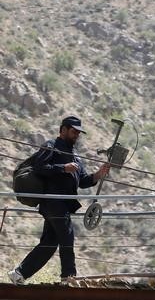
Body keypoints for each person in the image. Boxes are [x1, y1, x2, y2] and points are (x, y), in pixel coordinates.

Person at [8, 116, 111, 284]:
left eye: (78, 132)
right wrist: (63, 168)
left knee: (50, 243)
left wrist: (99, 174)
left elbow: (83, 181)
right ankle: (68, 277)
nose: (76, 135)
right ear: (63, 130)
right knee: (67, 235)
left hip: (62, 204)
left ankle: (19, 273)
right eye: (73, 131)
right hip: (53, 201)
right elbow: (39, 167)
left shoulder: (75, 155)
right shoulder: (51, 146)